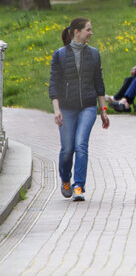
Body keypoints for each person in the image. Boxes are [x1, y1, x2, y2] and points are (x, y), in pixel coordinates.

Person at [49, 17, 110, 202]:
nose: (91, 33)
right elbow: (54, 84)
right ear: (77, 32)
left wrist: (103, 110)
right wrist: (56, 109)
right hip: (66, 109)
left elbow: (99, 84)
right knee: (67, 149)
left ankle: (79, 186)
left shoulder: (94, 54)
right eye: (88, 30)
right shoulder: (59, 55)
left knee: (81, 145)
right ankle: (66, 180)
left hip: (88, 107)